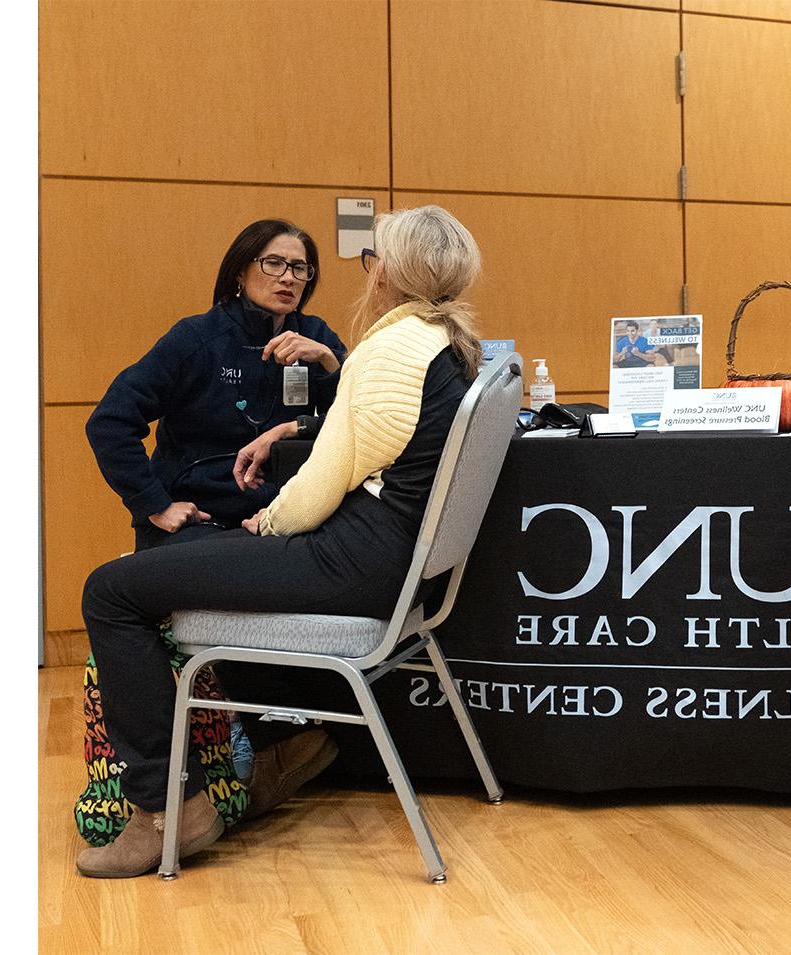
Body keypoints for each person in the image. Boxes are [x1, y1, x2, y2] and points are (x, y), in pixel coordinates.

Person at [77, 205, 488, 879]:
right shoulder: (440, 343)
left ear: (389, 271)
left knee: (109, 590)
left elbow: (318, 488)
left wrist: (263, 525)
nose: (367, 269)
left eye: (370, 257)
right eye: (275, 263)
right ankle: (272, 751)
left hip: (348, 562)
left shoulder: (386, 350)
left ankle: (167, 810)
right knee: (169, 564)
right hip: (380, 560)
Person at [87, 219, 347, 553]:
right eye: (274, 263)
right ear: (240, 272)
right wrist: (154, 504)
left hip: (279, 520)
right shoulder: (196, 338)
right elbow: (110, 421)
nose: (288, 277)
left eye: (299, 268)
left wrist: (329, 361)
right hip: (201, 522)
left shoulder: (316, 337)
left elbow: (353, 422)